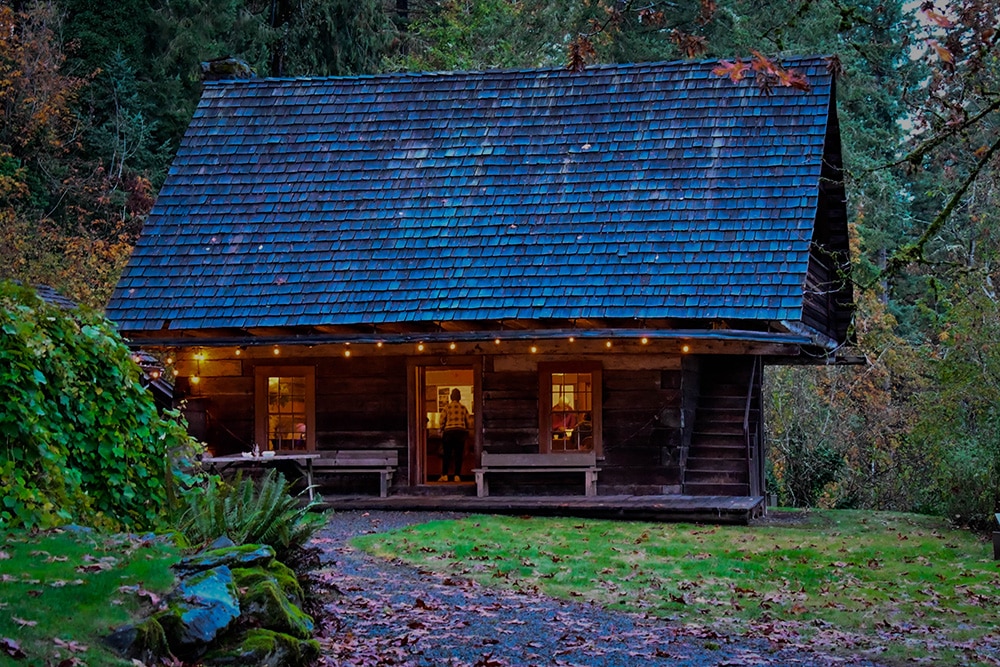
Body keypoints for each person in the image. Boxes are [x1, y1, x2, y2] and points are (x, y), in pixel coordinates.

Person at [439, 388, 471, 482]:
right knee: (458, 455)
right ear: (460, 397)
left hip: (448, 432)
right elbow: (468, 422)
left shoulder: (446, 407)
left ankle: (445, 475)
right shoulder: (463, 408)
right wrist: (466, 429)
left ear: (451, 397)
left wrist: (441, 429)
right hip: (460, 433)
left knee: (447, 454)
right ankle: (457, 475)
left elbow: (442, 420)